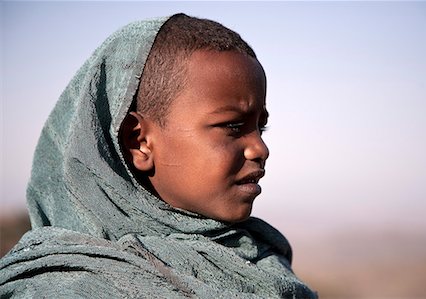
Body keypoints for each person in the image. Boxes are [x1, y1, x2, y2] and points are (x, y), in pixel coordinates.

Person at [0, 13, 317, 298]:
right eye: (233, 126)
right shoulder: (62, 286)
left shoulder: (264, 262)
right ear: (140, 143)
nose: (260, 148)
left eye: (261, 128)